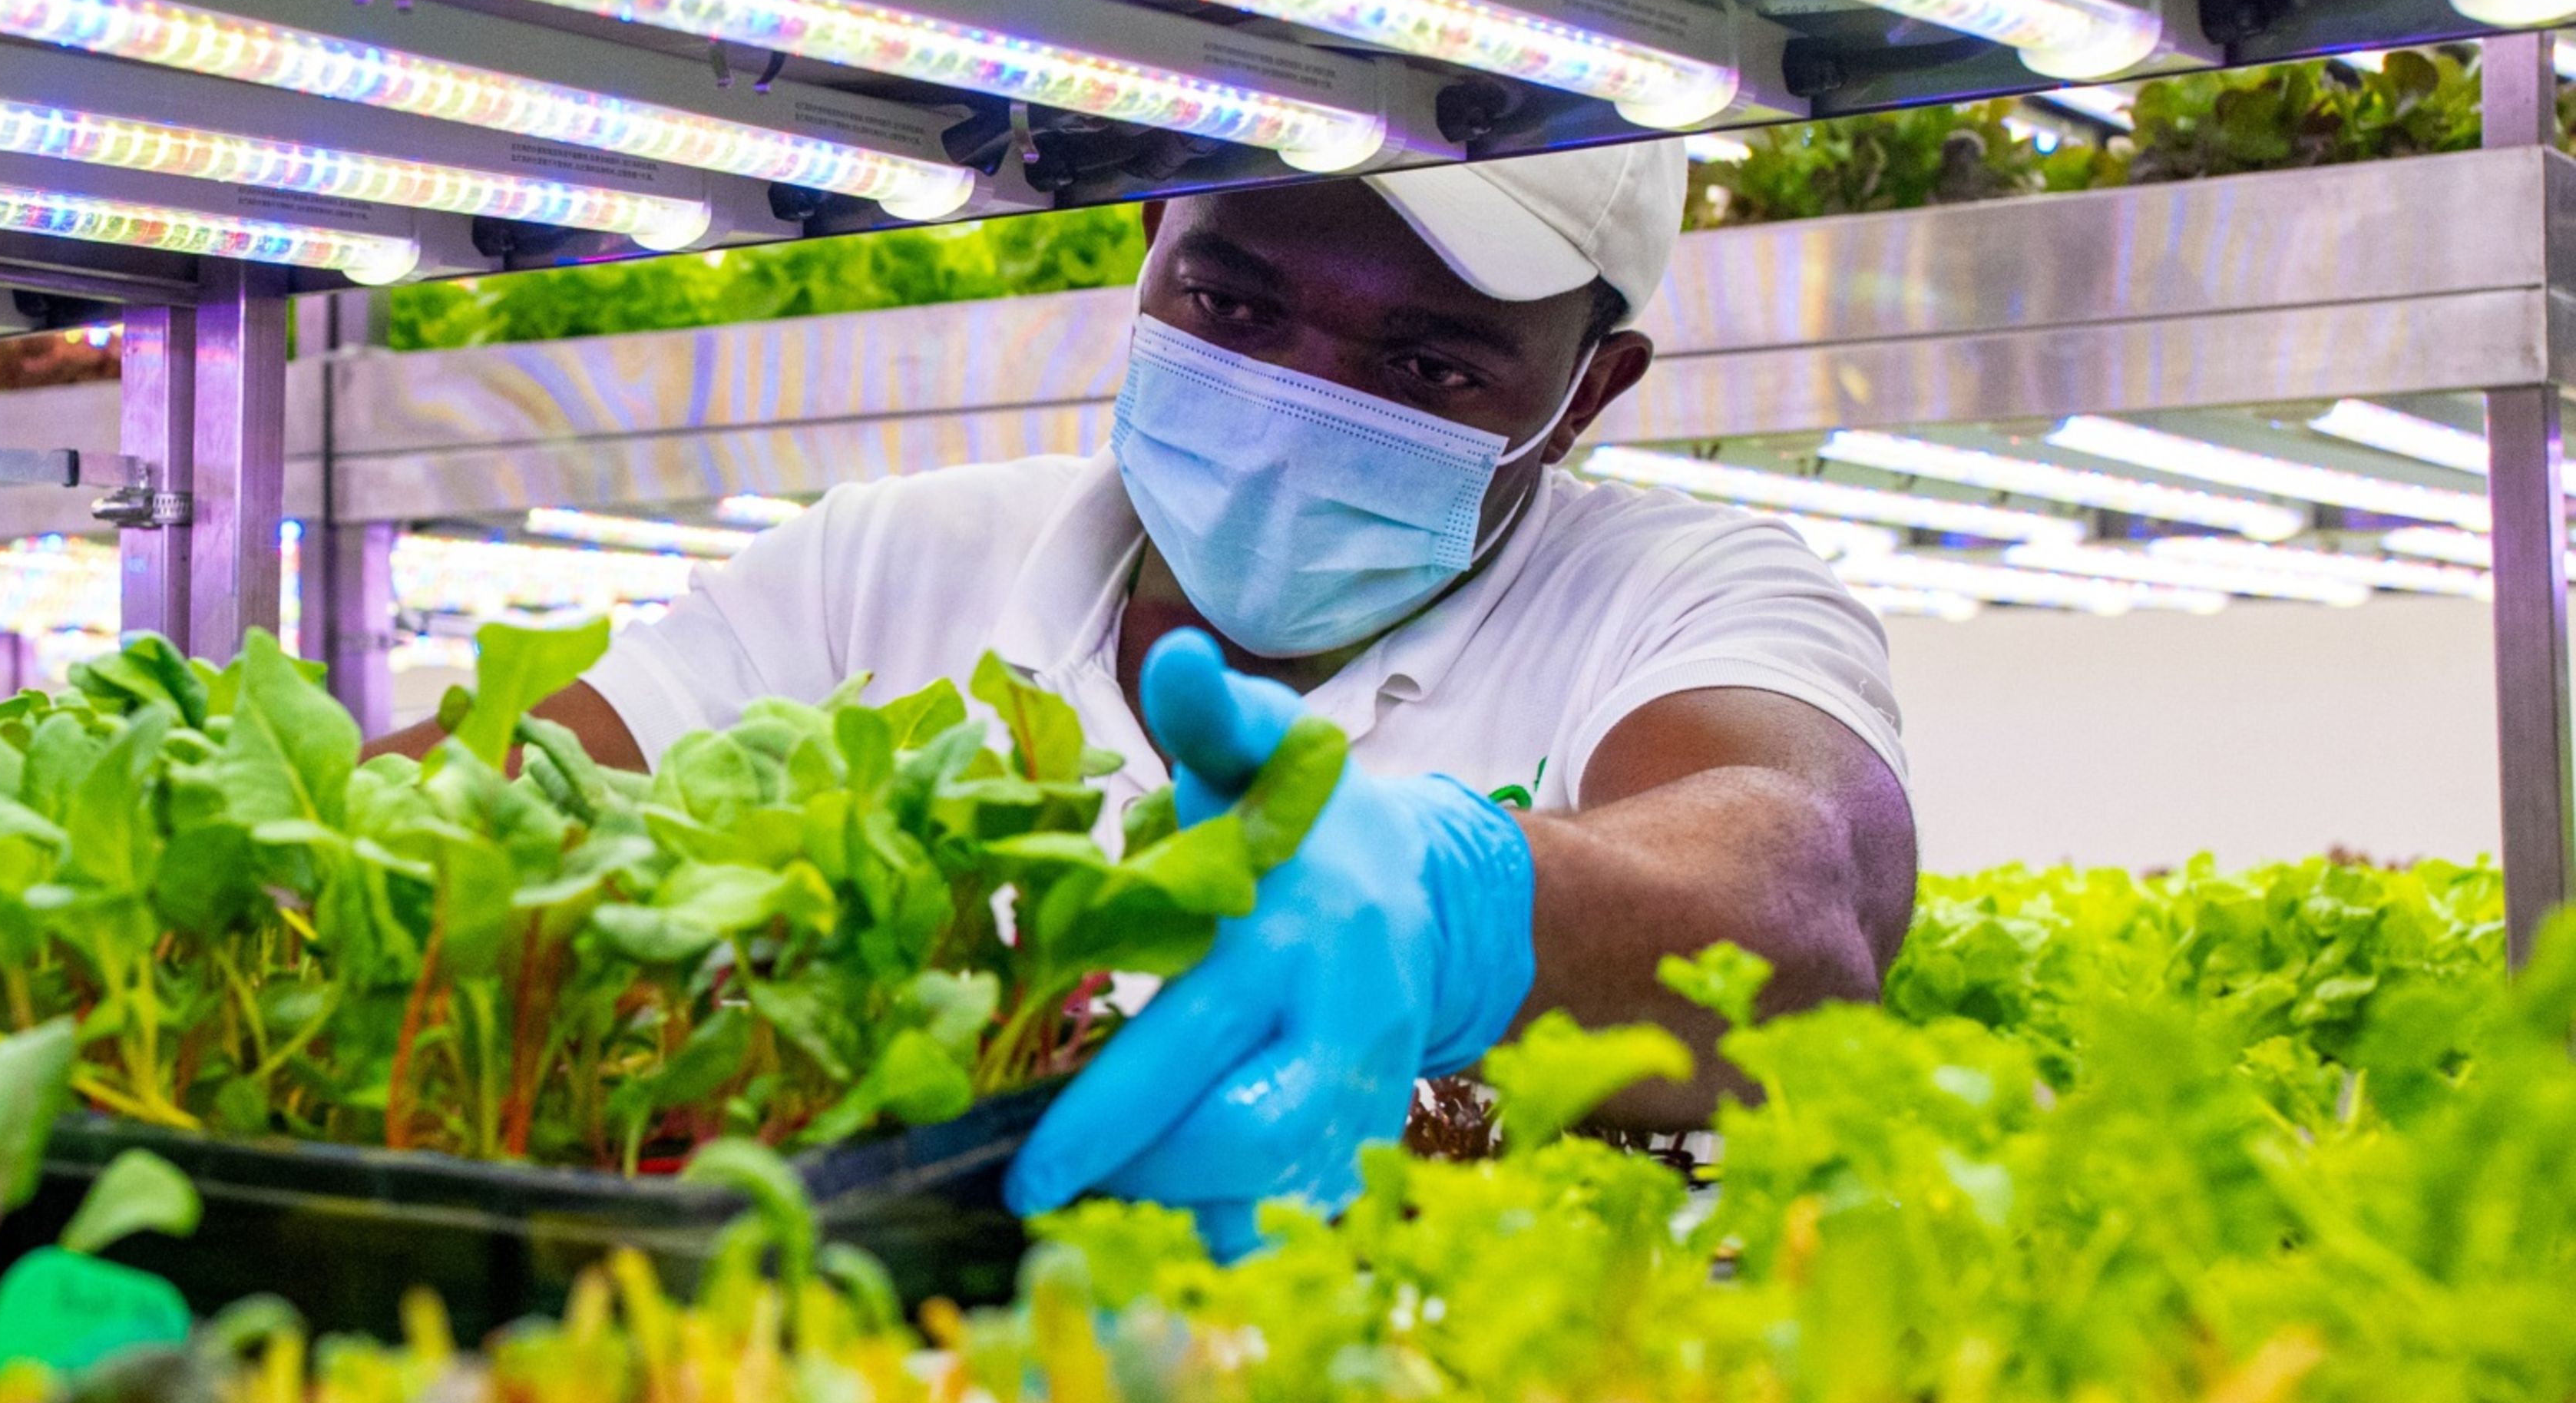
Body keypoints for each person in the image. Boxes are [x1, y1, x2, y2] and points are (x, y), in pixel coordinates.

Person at [385, 142, 1916, 1253]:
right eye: (1233, 308)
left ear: (1588, 390)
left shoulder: (1673, 591)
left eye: (1429, 370)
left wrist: (1464, 903)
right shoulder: (886, 563)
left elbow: (1807, 879)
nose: (1299, 407)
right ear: (1148, 240)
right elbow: (455, 806)